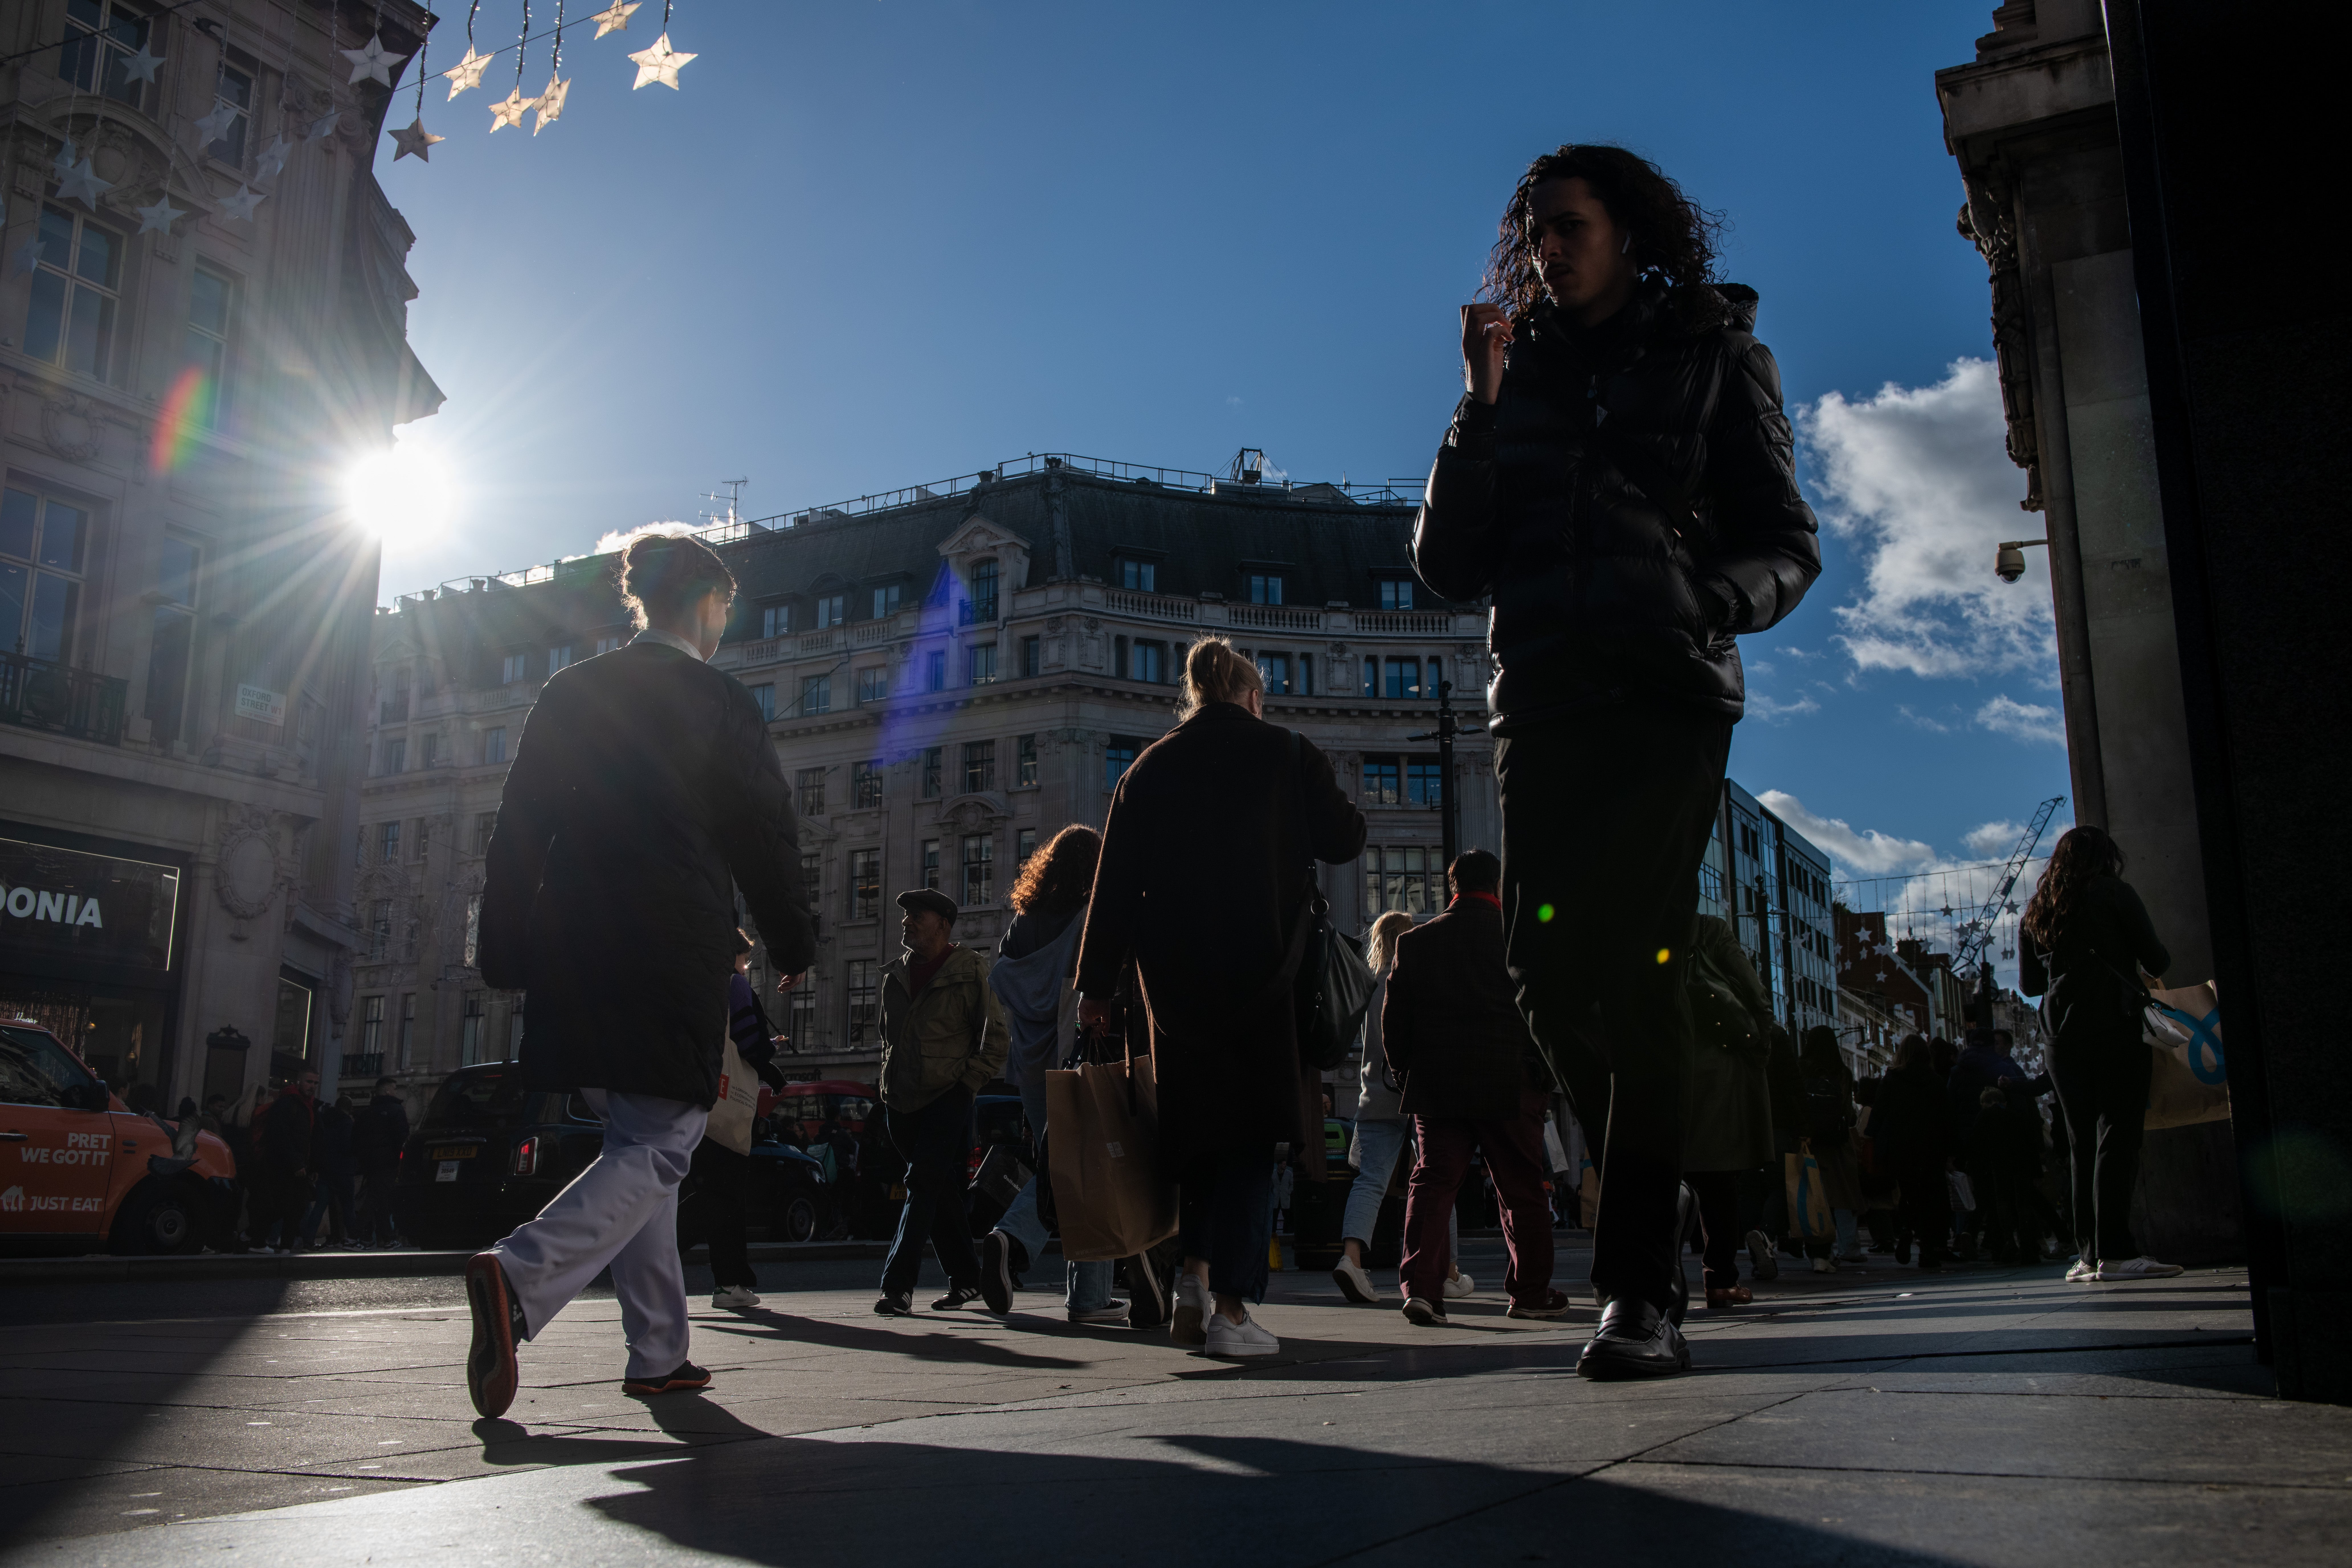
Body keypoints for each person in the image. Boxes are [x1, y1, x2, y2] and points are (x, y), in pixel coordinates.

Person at [1414, 143, 1820, 1379]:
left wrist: (1711, 601)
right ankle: (1662, 1173)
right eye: (1536, 227)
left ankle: (1640, 1290)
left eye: (1572, 223)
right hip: (1540, 704)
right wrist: (1479, 408)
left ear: (1632, 230)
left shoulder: (1712, 351)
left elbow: (1785, 541)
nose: (1550, 245)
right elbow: (1446, 563)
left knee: (1640, 969)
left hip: (1662, 696)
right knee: (1541, 963)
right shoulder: (1511, 374)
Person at [468, 530, 815, 1418]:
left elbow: (518, 828)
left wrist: (504, 947)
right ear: (706, 602)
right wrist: (793, 938)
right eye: (725, 610)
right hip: (671, 943)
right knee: (667, 1138)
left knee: (638, 1142)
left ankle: (659, 1351)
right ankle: (519, 1275)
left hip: (576, 944)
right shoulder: (721, 701)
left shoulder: (571, 690)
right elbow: (765, 833)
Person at [1076, 637, 1367, 1358]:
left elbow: (1111, 889)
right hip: (1263, 978)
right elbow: (1346, 839)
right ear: (1250, 695)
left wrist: (1094, 987)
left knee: (1197, 1136)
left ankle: (1194, 1276)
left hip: (1173, 992)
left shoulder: (1145, 769)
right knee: (1248, 1139)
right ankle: (1232, 1311)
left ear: (1193, 695)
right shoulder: (1286, 752)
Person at [1385, 851, 1567, 1325]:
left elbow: (1395, 1018)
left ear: (1453, 886)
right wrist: (1545, 1073)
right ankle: (1529, 1291)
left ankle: (1422, 1288)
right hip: (1508, 1079)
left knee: (1432, 1181)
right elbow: (1547, 1010)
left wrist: (1405, 1068)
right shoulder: (1518, 940)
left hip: (1438, 1081)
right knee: (1522, 1188)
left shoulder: (1415, 942)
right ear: (1497, 885)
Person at [979, 826, 1130, 1326]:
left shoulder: (1021, 923)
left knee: (1070, 1166)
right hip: (1081, 1057)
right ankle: (1018, 1239)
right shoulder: (1094, 920)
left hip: (1031, 1066)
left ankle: (1090, 1294)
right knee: (1089, 1170)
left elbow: (1004, 982)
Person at [2018, 825, 2180, 1283]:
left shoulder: (2037, 910)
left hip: (2059, 1039)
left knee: (2080, 1143)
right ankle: (2117, 1252)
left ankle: (2087, 1257)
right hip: (2115, 1027)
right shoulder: (2114, 894)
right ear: (2105, 857)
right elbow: (2158, 960)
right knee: (2118, 1135)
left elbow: (2031, 986)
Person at [873, 888, 1011, 1316]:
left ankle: (898, 1288)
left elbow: (997, 1036)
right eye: (906, 916)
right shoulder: (893, 975)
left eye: (918, 916)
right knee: (940, 1190)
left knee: (922, 1184)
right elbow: (887, 1038)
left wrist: (968, 1084)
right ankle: (968, 1279)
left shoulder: (969, 968)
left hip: (947, 1096)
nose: (907, 922)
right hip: (900, 1101)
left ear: (944, 924)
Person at [1683, 915, 1776, 1309]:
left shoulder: (1638, 924)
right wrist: (1761, 1039)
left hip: (1656, 1064)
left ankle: (1649, 1284)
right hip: (1714, 1066)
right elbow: (1753, 991)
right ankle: (1720, 1280)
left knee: (1659, 1180)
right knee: (1719, 1182)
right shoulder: (1708, 929)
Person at [696, 933, 787, 1311]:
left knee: (700, 1194)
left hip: (693, 1102)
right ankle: (730, 1282)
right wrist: (772, 1050)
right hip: (724, 1108)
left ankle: (728, 1280)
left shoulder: (697, 983)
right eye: (745, 960)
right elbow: (749, 1043)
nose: (745, 967)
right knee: (728, 1198)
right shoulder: (734, 985)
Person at [1330, 909, 1415, 1304]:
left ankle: (1351, 1258)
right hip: (1415, 1096)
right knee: (1436, 1180)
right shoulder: (1414, 980)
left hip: (1373, 1097)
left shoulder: (1367, 984)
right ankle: (1443, 1270)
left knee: (1370, 1183)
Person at [1869, 1034, 1953, 1270]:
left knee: (1907, 1193)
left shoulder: (1893, 1078)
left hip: (1900, 1147)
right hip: (1930, 1148)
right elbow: (1946, 1117)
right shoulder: (1934, 1081)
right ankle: (1928, 1248)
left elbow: (1880, 1111)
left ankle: (1906, 1228)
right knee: (1930, 1197)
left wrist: (1872, 1135)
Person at [1796, 1026, 1865, 1271]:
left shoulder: (1801, 1069)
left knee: (1813, 1197)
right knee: (1845, 1196)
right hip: (1837, 1142)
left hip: (1809, 1142)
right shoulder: (1843, 1073)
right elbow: (1848, 1111)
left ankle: (1818, 1252)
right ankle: (1849, 1247)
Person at [256, 1071, 319, 1252]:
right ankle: (262, 1240)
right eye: (309, 1082)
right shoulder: (289, 1104)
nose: (312, 1086)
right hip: (283, 1165)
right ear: (299, 1082)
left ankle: (277, 1243)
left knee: (293, 1208)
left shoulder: (303, 1105)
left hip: (294, 1165)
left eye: (315, 1083)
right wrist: (297, 1163)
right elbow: (281, 1136)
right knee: (284, 1207)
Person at [353, 1078, 409, 1249]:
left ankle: (377, 1237)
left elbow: (357, 1138)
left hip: (370, 1163)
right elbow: (403, 1137)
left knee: (377, 1198)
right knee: (378, 1199)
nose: (396, 1091)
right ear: (387, 1091)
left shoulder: (368, 1112)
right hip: (388, 1162)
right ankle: (359, 1236)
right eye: (395, 1088)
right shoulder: (396, 1110)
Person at [299, 1094, 360, 1249]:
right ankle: (351, 1238)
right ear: (350, 1109)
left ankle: (309, 1239)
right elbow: (349, 1147)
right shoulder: (348, 1124)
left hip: (325, 1171)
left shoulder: (324, 1120)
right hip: (343, 1170)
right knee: (347, 1205)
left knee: (321, 1205)